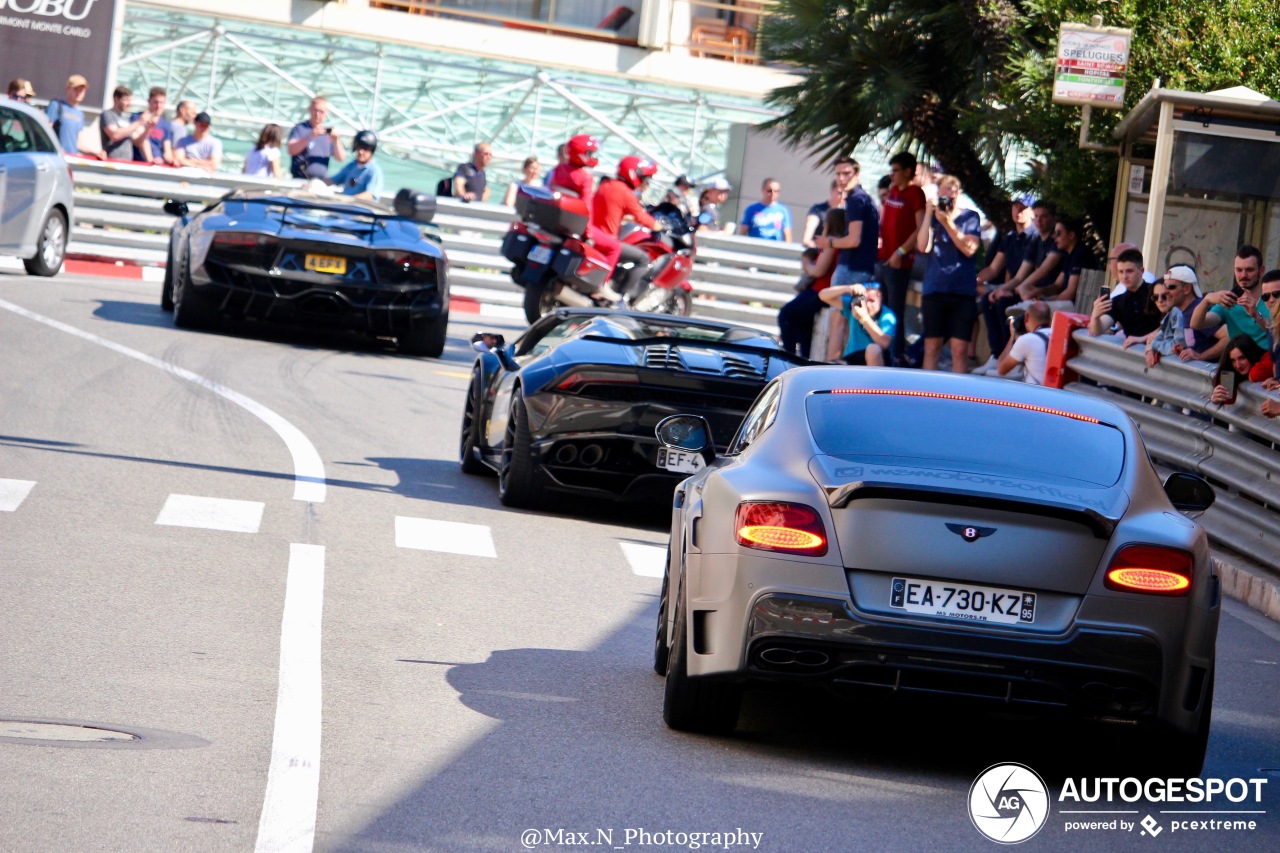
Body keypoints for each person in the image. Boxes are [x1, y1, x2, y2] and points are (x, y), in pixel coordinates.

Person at [915, 174, 981, 372]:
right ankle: (927, 394)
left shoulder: (970, 217)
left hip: (962, 292)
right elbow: (923, 247)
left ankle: (959, 396)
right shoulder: (934, 218)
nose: (947, 199)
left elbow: (969, 248)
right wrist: (928, 214)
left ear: (958, 194)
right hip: (935, 289)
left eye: (951, 195)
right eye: (944, 194)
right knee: (931, 348)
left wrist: (947, 222)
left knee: (959, 350)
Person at [547, 134, 624, 303]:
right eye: (590, 153)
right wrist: (587, 234)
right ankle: (601, 286)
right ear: (582, 153)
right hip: (576, 226)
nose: (592, 157)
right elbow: (586, 207)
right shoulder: (584, 177)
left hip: (555, 222)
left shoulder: (558, 170)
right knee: (614, 247)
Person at [876, 151, 927, 365]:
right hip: (883, 259)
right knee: (882, 309)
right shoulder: (894, 190)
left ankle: (895, 356)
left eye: (896, 171)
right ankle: (882, 351)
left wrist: (901, 252)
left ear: (908, 171)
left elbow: (920, 228)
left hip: (900, 262)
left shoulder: (916, 193)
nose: (892, 175)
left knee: (895, 310)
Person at [976, 194, 1037, 366]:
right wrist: (975, 280)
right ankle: (996, 355)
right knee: (986, 301)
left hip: (1026, 291)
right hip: (1010, 287)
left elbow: (1022, 276)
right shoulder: (1009, 238)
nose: (1018, 210)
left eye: (1023, 207)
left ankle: (1009, 356)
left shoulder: (1034, 237)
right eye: (1015, 206)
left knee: (1002, 303)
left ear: (1032, 211)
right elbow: (994, 269)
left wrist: (1003, 289)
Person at [593, 155, 661, 300]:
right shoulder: (626, 193)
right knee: (644, 258)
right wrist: (658, 226)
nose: (645, 183)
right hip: (606, 238)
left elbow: (609, 210)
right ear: (634, 174)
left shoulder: (607, 185)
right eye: (644, 178)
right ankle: (622, 298)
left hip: (594, 233)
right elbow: (642, 217)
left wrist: (625, 217)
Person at [780, 207, 844, 357]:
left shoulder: (831, 243)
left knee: (786, 315)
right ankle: (803, 357)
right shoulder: (835, 242)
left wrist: (806, 263)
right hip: (820, 291)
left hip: (820, 291)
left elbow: (818, 271)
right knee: (804, 325)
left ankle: (788, 355)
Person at [1190, 245, 1272, 350]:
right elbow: (1196, 324)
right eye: (1239, 270)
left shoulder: (1272, 298)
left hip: (1267, 362)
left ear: (1261, 270)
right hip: (1237, 364)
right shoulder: (1229, 300)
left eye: (1249, 270)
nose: (1243, 275)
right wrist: (1207, 300)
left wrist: (1256, 315)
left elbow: (1277, 334)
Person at [817, 159, 879, 290]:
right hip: (858, 267)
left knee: (839, 309)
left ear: (857, 174)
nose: (841, 178)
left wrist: (828, 243)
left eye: (846, 173)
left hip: (852, 268)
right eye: (838, 174)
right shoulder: (859, 197)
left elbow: (853, 240)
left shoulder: (856, 199)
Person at [1088, 247, 1161, 341]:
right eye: (1121, 272)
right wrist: (1095, 315)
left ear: (1141, 271)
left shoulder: (1156, 293)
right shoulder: (1117, 301)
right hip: (1130, 351)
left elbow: (1169, 324)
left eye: (1129, 271)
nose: (1124, 276)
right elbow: (1097, 331)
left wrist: (1143, 338)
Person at [819, 281, 895, 366]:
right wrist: (848, 288)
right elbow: (823, 296)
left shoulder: (887, 315)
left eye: (872, 301)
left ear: (880, 298)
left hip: (876, 361)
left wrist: (864, 318)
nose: (868, 305)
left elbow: (884, 342)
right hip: (852, 359)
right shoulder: (854, 306)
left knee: (873, 349)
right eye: (865, 301)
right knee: (829, 367)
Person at [288, 96, 345, 179]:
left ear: (326, 113)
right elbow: (291, 149)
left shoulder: (328, 133)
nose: (317, 114)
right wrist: (309, 137)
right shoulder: (300, 128)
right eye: (315, 110)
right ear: (310, 109)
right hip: (300, 179)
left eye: (321, 111)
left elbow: (341, 158)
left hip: (320, 182)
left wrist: (336, 140)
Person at [996, 300, 1051, 384]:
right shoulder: (1059, 336)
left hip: (1035, 393)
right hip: (1057, 393)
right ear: (1050, 319)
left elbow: (1001, 369)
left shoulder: (1027, 339)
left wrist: (1012, 336)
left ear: (1026, 317)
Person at [1210, 334, 1267, 406]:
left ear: (1251, 354)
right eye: (1233, 360)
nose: (1238, 365)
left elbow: (1255, 375)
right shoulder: (1231, 371)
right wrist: (1215, 398)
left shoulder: (1267, 360)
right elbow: (1228, 399)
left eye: (1242, 358)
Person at [329, 130, 384, 200]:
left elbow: (370, 195)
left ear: (372, 150)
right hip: (344, 208)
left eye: (365, 148)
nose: (361, 152)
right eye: (359, 147)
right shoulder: (352, 166)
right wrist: (316, 184)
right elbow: (333, 180)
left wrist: (348, 200)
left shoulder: (374, 171)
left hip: (359, 210)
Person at [99, 85, 148, 162]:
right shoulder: (108, 114)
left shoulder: (125, 119)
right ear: (116, 99)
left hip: (127, 161)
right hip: (112, 161)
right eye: (126, 100)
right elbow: (115, 135)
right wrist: (139, 122)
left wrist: (149, 128)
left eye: (130, 100)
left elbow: (136, 142)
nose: (129, 103)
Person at [130, 87, 175, 165]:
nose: (158, 106)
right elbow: (137, 142)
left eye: (162, 103)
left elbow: (167, 150)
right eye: (155, 102)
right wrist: (148, 128)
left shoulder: (166, 124)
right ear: (149, 101)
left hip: (158, 163)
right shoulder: (137, 118)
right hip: (140, 163)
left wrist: (171, 161)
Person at [46, 74, 88, 154]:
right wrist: (57, 148)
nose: (79, 93)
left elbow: (79, 143)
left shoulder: (80, 114)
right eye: (76, 89)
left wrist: (96, 152)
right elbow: (46, 132)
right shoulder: (56, 105)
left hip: (71, 158)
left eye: (82, 90)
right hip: (56, 156)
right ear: (67, 89)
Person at [802, 180, 844, 248]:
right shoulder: (818, 210)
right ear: (831, 191)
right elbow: (807, 237)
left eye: (847, 193)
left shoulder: (847, 213)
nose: (843, 196)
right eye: (840, 193)